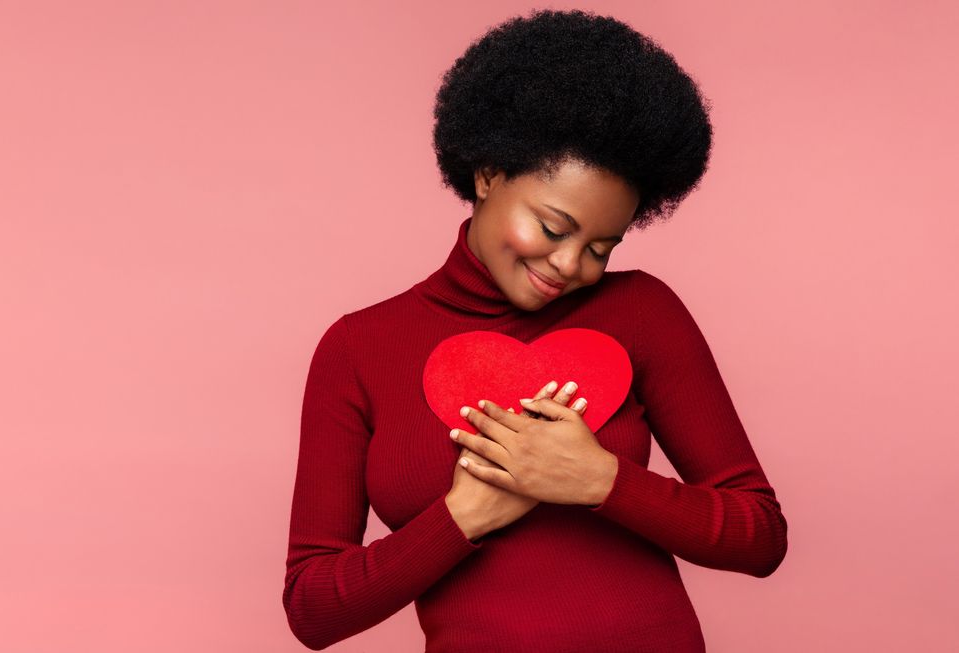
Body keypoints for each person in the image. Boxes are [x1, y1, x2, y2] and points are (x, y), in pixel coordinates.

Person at [283, 8, 788, 652]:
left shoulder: (642, 311)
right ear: (488, 175)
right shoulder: (359, 348)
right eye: (553, 228)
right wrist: (463, 517)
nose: (570, 265)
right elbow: (313, 609)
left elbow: (760, 536)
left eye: (601, 247)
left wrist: (599, 480)